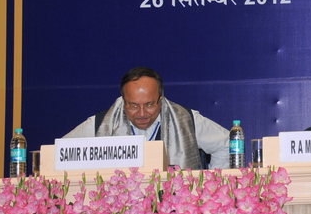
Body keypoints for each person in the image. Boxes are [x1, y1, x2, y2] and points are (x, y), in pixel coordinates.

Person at [61, 66, 229, 169]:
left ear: (161, 100)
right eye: (133, 105)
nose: (142, 113)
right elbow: (61, 153)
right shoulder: (100, 124)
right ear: (122, 101)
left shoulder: (186, 120)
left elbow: (227, 144)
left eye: (149, 104)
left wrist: (208, 186)